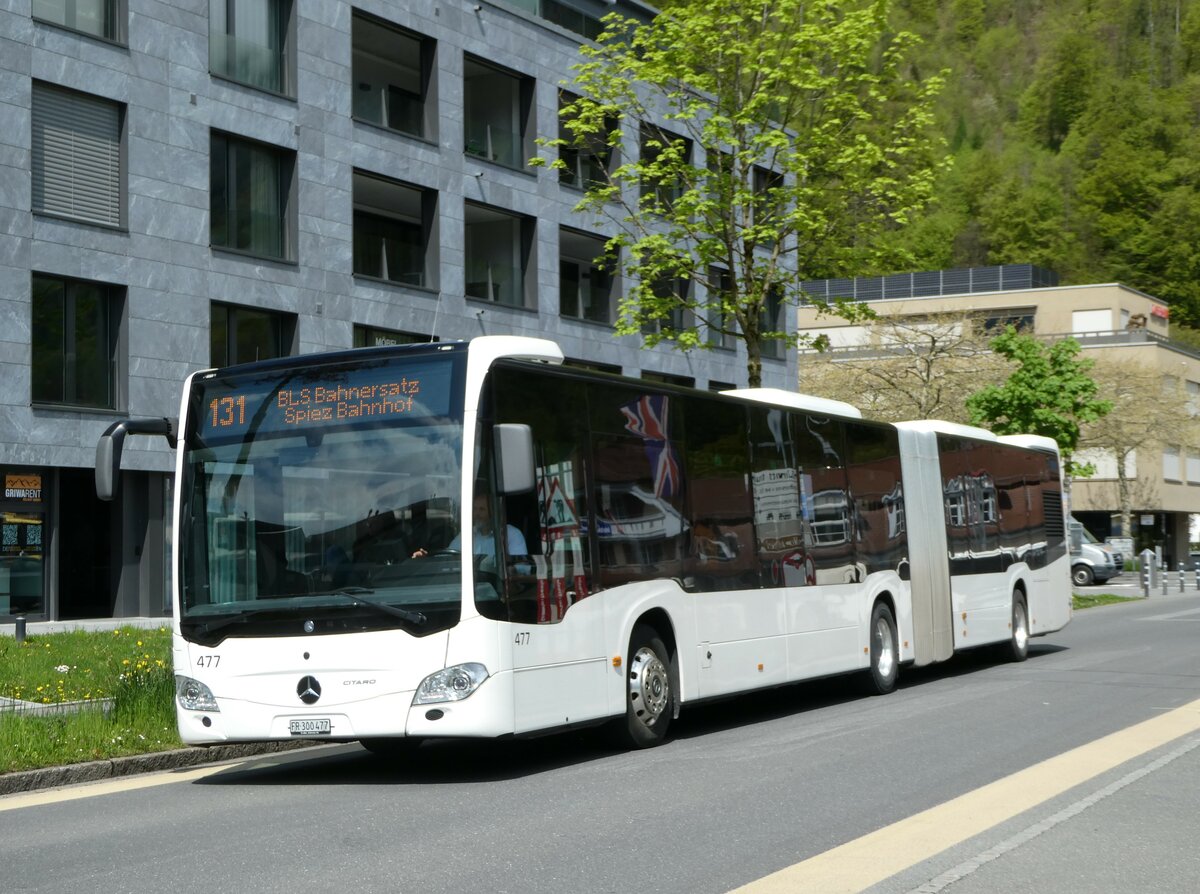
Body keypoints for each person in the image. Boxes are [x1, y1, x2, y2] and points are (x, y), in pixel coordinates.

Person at [412, 492, 528, 565]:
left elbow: (522, 569)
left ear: (494, 512)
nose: (476, 513)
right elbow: (448, 556)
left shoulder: (512, 535)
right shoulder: (467, 534)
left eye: (482, 509)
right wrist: (427, 558)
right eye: (475, 509)